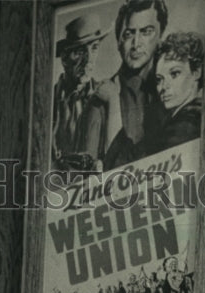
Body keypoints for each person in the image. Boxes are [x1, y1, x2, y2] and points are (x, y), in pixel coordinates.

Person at [82, 0, 168, 171]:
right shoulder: (101, 100)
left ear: (160, 35)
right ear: (118, 42)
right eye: (128, 34)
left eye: (146, 32)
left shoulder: (174, 88)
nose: (136, 44)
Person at [52, 13, 110, 170]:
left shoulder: (105, 98)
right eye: (79, 51)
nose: (89, 59)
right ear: (64, 59)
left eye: (94, 48)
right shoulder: (47, 101)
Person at [144, 32, 204, 155]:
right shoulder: (180, 118)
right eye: (159, 79)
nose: (164, 87)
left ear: (196, 72)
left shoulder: (187, 124)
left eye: (174, 74)